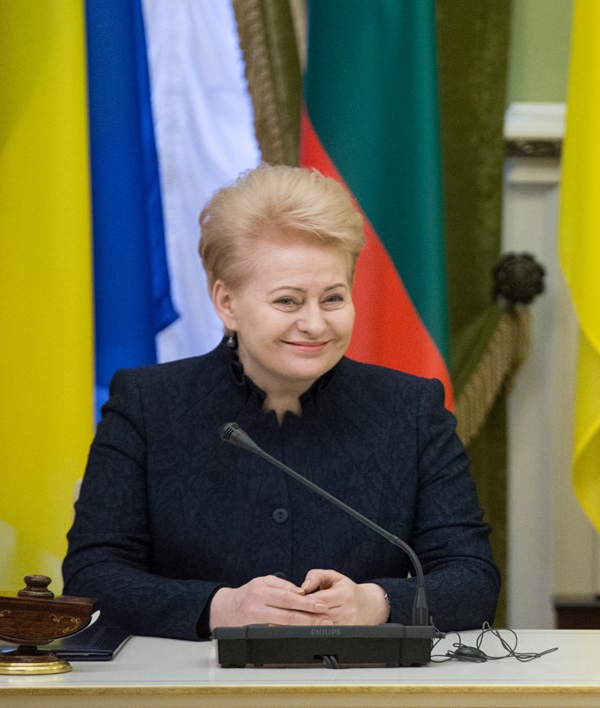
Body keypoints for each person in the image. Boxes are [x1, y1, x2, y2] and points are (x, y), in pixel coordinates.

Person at [64, 164, 499, 639]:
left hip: (362, 683)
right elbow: (91, 578)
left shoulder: (411, 410)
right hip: (194, 681)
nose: (314, 324)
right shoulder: (147, 406)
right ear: (226, 303)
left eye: (333, 299)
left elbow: (473, 580)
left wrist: (374, 602)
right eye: (288, 301)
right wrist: (220, 607)